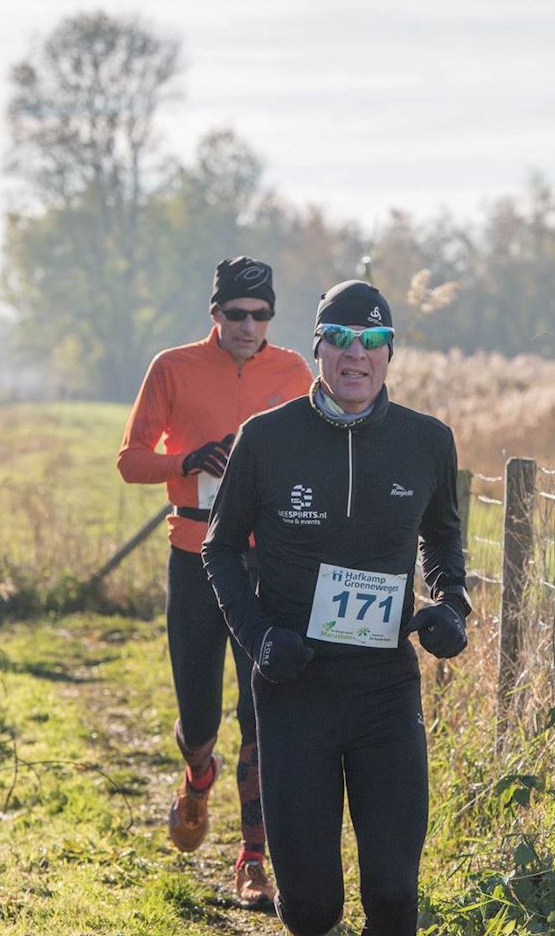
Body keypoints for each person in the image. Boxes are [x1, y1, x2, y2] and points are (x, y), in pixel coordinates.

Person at [202, 279, 471, 936]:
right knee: (315, 908)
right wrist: (261, 636)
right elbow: (221, 549)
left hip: (384, 689)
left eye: (374, 341)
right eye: (342, 340)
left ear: (389, 354)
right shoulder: (265, 439)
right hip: (296, 691)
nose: (358, 355)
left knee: (395, 896)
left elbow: (442, 537)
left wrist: (451, 604)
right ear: (317, 348)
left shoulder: (427, 441)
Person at [116, 256, 312, 909]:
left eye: (260, 315)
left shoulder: (292, 373)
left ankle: (253, 861)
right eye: (236, 314)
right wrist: (187, 459)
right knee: (199, 714)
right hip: (196, 554)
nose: (248, 326)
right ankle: (198, 774)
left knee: (261, 711)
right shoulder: (172, 368)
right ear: (215, 313)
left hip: (268, 563)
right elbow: (130, 460)